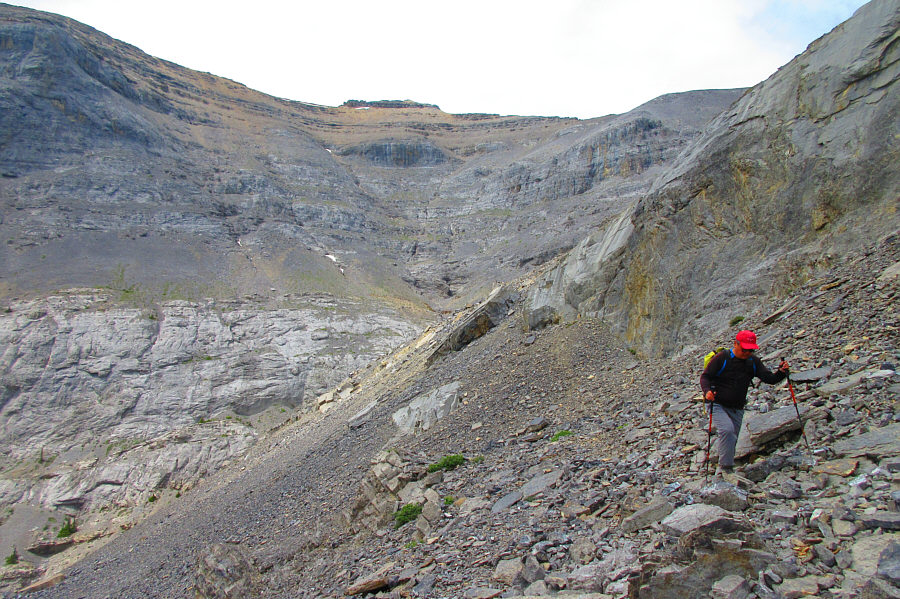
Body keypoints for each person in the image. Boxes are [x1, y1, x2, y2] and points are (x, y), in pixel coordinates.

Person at [700, 330, 789, 478]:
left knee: (732, 436)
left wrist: (781, 372)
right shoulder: (722, 358)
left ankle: (725, 466)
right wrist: (707, 391)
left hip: (737, 407)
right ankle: (725, 469)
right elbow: (705, 377)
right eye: (745, 349)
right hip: (717, 403)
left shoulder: (752, 362)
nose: (747, 352)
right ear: (736, 344)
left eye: (751, 349)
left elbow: (770, 379)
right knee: (727, 431)